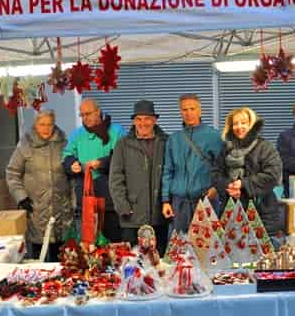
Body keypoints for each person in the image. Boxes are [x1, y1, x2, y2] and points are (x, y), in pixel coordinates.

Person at [6, 110, 73, 261]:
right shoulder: (25, 144)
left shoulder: (64, 143)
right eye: (42, 124)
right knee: (37, 256)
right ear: (35, 125)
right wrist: (21, 198)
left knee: (61, 256)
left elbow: (72, 176)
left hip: (61, 209)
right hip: (35, 209)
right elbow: (12, 173)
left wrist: (74, 202)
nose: (46, 128)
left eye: (50, 124)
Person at [212, 106, 284, 245]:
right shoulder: (226, 148)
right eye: (235, 123)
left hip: (263, 212)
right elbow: (215, 174)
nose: (239, 127)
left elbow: (273, 175)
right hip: (232, 211)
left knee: (264, 258)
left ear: (252, 124)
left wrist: (243, 184)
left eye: (244, 122)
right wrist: (229, 186)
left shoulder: (265, 146)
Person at [63, 98, 126, 243]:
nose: (85, 118)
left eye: (88, 113)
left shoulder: (117, 131)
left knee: (113, 243)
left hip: (111, 198)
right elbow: (67, 155)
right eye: (82, 115)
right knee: (89, 244)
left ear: (98, 111)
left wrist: (101, 163)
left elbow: (122, 157)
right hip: (86, 199)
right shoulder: (77, 134)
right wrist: (72, 164)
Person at [109, 100, 169, 251]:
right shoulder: (122, 144)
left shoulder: (166, 142)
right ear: (134, 121)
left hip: (159, 216)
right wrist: (122, 206)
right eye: (139, 119)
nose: (143, 123)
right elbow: (115, 178)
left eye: (147, 118)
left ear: (154, 120)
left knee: (159, 262)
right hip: (131, 216)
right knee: (132, 263)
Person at [161, 93, 223, 234]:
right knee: (178, 250)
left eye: (192, 109)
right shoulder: (174, 139)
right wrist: (165, 200)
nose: (189, 113)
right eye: (184, 110)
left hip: (205, 201)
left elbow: (223, 168)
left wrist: (216, 188)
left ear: (200, 110)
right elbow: (167, 171)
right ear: (180, 112)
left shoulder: (214, 136)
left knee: (207, 249)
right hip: (179, 204)